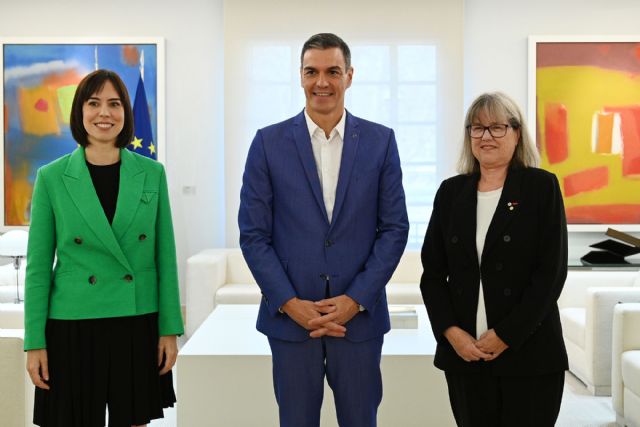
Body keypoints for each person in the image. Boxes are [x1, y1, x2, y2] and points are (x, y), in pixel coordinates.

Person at [238, 33, 409, 427]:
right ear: (300, 76)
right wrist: (289, 303)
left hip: (359, 320)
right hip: (291, 320)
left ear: (349, 76)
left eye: (333, 71)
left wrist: (356, 299)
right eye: (312, 72)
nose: (322, 82)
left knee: (360, 420)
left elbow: (395, 229)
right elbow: (253, 234)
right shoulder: (267, 143)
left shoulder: (381, 142)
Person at [24, 69, 183, 427]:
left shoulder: (151, 173)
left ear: (126, 112)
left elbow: (164, 258)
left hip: (136, 319)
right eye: (93, 103)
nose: (104, 113)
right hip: (72, 322)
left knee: (133, 421)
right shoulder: (51, 177)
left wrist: (169, 329)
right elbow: (37, 268)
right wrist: (34, 341)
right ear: (79, 112)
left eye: (114, 104)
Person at [420, 92, 569, 427]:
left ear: (516, 134)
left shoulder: (540, 187)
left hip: (529, 355)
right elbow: (432, 276)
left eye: (497, 127)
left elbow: (551, 274)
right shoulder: (450, 193)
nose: (486, 136)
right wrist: (451, 333)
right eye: (477, 128)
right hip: (466, 356)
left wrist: (506, 334)